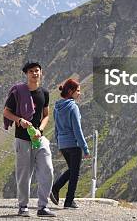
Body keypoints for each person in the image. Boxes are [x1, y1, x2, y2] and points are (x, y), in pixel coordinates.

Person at [3, 61, 56, 217]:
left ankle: (43, 207)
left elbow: (46, 115)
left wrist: (40, 129)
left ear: (41, 72)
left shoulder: (44, 93)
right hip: (22, 139)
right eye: (31, 71)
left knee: (48, 169)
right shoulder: (18, 92)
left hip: (39, 138)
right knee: (24, 174)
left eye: (37, 70)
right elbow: (6, 112)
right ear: (26, 74)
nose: (34, 73)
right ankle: (23, 206)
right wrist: (19, 120)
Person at [50, 79, 89, 209]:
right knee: (75, 173)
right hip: (73, 144)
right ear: (70, 91)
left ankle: (56, 189)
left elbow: (56, 128)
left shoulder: (57, 107)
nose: (80, 93)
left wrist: (59, 144)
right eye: (78, 90)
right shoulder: (73, 107)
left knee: (72, 170)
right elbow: (77, 130)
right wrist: (85, 148)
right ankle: (68, 200)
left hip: (63, 144)